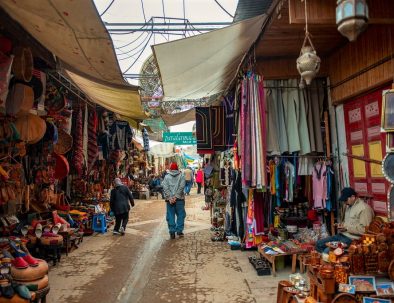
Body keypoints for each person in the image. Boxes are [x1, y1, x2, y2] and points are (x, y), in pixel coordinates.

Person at [316, 187, 374, 253]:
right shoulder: (348, 206)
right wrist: (342, 226)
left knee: (327, 251)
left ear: (353, 197)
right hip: (342, 235)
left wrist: (346, 228)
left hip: (352, 239)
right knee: (319, 244)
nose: (345, 202)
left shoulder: (364, 209)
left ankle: (332, 260)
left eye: (346, 200)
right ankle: (327, 260)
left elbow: (364, 230)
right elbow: (349, 223)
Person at [162, 162, 186, 239]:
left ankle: (172, 232)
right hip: (179, 200)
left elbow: (165, 187)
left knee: (170, 215)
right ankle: (179, 231)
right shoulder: (181, 176)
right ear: (177, 168)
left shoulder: (166, 177)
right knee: (181, 215)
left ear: (170, 168)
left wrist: (170, 198)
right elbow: (182, 187)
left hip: (170, 201)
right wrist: (176, 197)